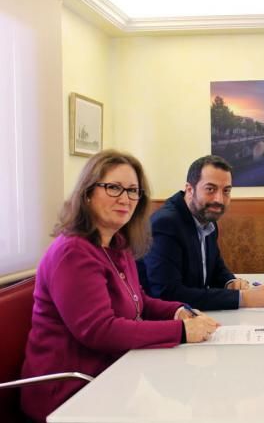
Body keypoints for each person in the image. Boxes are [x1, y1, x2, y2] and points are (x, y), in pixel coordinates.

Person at [21, 150, 220, 423]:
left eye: (133, 191)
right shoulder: (73, 253)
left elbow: (140, 302)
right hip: (69, 392)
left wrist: (179, 311)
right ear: (88, 192)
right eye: (113, 187)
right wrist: (182, 331)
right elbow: (100, 331)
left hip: (114, 375)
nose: (125, 199)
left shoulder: (118, 244)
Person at [139, 155, 264, 310]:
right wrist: (242, 298)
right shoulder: (166, 224)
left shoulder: (206, 217)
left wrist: (230, 282)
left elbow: (214, 267)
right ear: (189, 189)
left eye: (226, 191)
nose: (219, 199)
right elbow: (167, 294)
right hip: (162, 322)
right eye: (210, 189)